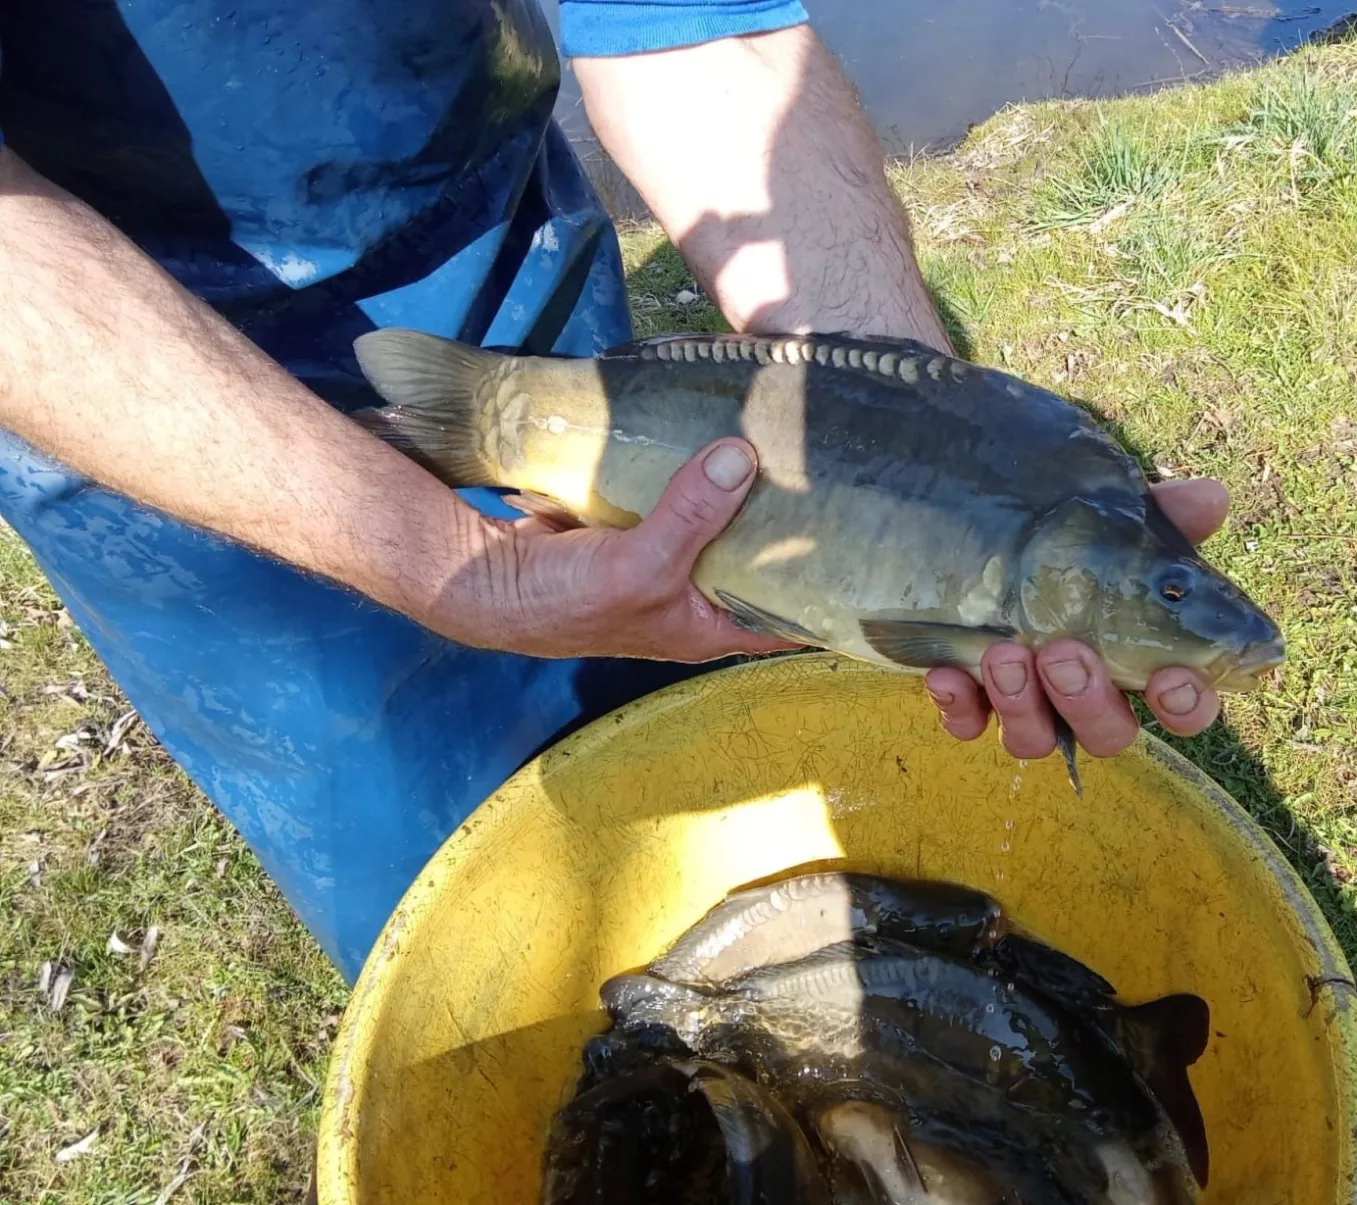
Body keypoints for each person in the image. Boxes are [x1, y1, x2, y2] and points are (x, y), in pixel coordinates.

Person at [0, 0, 1228, 985]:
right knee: (473, 904)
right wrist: (429, 557)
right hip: (103, 356)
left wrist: (916, 429)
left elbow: (705, 32)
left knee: (706, 791)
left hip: (497, 242)